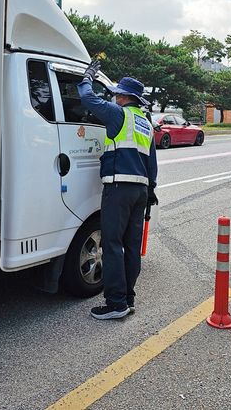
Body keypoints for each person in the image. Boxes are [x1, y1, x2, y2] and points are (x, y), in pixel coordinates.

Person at [77, 60, 158, 320]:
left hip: (118, 187)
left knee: (111, 245)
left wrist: (87, 77)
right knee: (132, 246)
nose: (114, 97)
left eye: (116, 94)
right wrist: (151, 187)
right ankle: (128, 298)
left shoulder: (117, 114)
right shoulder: (145, 122)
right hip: (141, 191)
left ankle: (115, 304)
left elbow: (87, 98)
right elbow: (152, 161)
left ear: (123, 97)